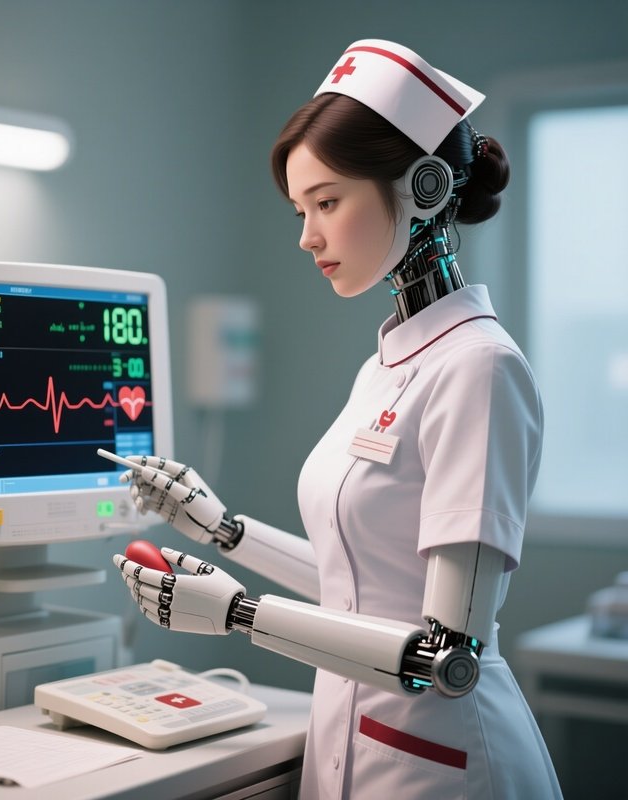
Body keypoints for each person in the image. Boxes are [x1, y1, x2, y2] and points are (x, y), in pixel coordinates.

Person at [112, 39, 562, 798]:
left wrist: (236, 614)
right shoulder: (388, 361)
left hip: (446, 764)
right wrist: (221, 529)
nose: (307, 236)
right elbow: (362, 584)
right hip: (352, 738)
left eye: (327, 202)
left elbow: (446, 655)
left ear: (422, 186)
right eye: (300, 210)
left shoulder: (478, 366)